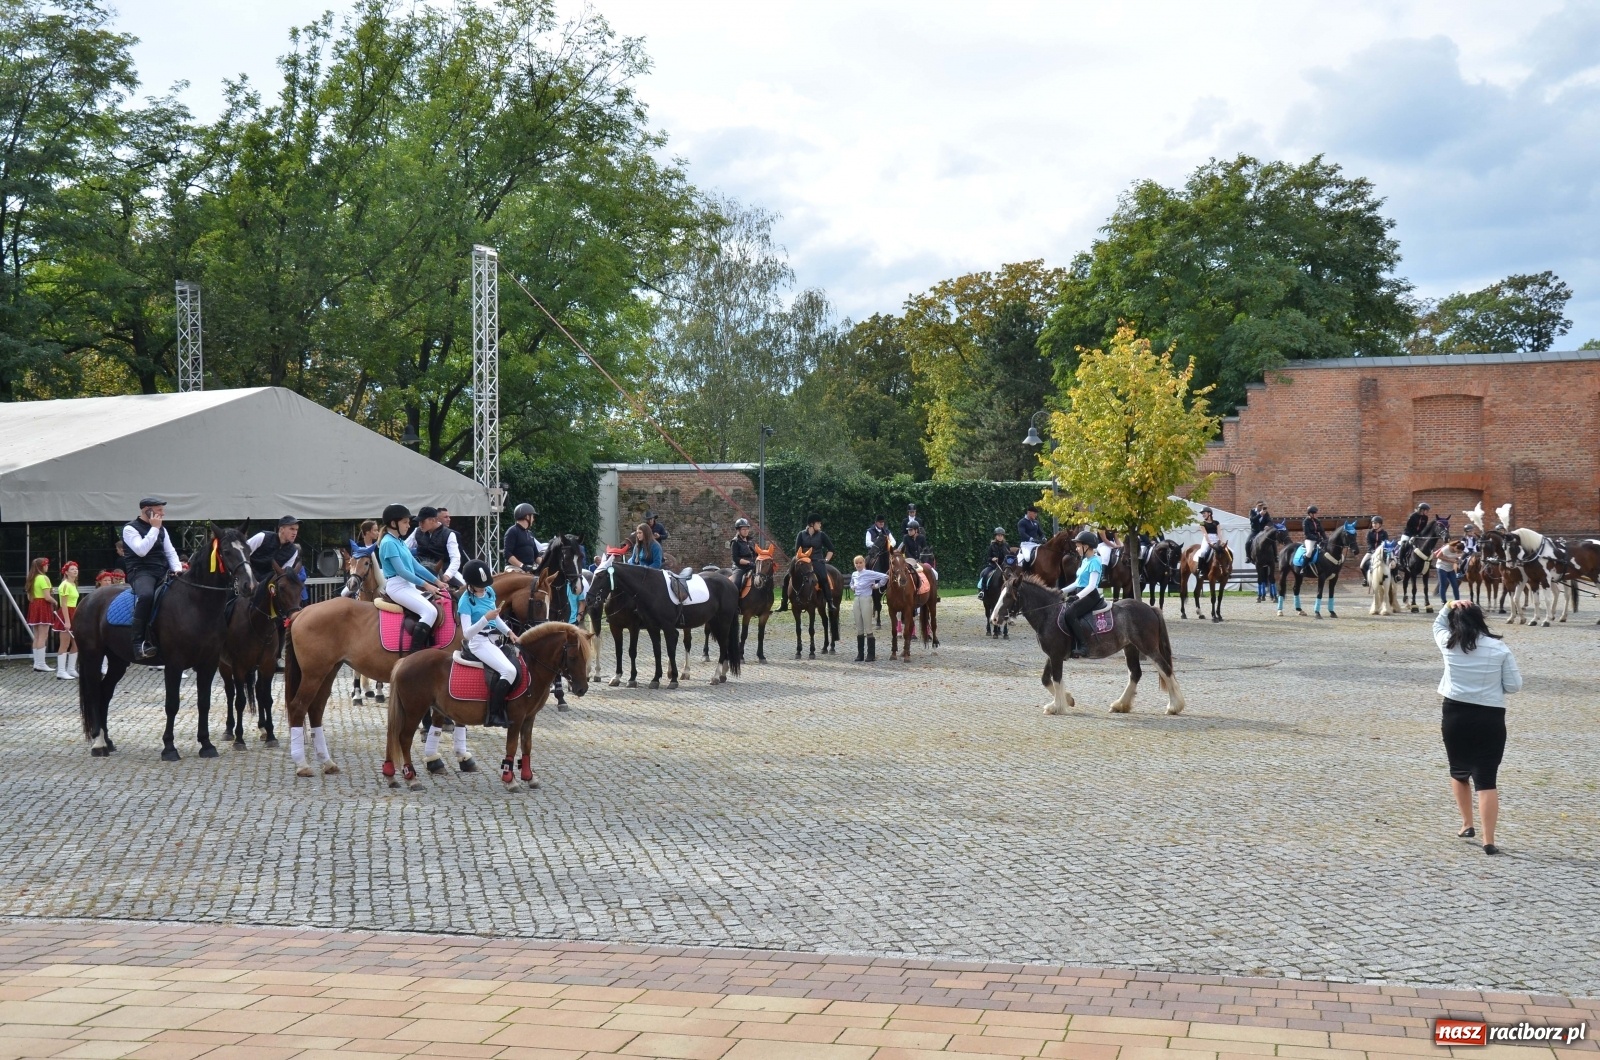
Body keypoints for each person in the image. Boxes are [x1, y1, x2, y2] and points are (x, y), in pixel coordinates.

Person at [1433, 600, 1521, 855]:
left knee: (1458, 771)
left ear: (1455, 622)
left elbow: (1437, 624)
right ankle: (1488, 839)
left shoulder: (1449, 643)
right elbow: (1514, 686)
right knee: (1487, 779)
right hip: (1490, 716)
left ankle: (1466, 824)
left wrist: (1449, 605)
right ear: (1480, 620)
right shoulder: (1499, 648)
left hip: (1455, 714)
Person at [378, 503, 450, 648]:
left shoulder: (400, 542)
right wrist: (427, 585)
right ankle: (414, 654)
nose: (408, 525)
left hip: (407, 585)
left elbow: (416, 566)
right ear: (393, 523)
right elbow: (402, 572)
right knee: (429, 612)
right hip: (397, 586)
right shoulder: (388, 543)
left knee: (436, 604)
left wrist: (437, 582)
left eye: (408, 522)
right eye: (404, 522)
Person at [123, 498, 183, 660]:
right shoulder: (130, 529)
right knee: (146, 596)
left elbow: (170, 552)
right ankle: (138, 643)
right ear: (147, 511)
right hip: (141, 572)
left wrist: (177, 569)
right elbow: (141, 550)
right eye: (159, 510)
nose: (162, 514)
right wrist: (154, 529)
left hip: (162, 571)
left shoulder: (162, 529)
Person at [460, 559, 517, 728]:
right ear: (470, 584)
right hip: (478, 642)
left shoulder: (490, 592)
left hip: (494, 639)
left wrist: (509, 632)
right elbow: (467, 633)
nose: (483, 588)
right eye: (479, 585)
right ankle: (493, 714)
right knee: (509, 671)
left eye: (485, 584)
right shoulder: (465, 601)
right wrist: (486, 618)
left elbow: (496, 617)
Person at [1061, 529, 1105, 658]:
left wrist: (1077, 596)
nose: (1076, 548)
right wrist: (1062, 591)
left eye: (1078, 546)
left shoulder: (1095, 561)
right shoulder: (1085, 561)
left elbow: (1091, 585)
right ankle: (1072, 644)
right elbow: (1077, 583)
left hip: (1090, 596)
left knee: (1070, 614)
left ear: (1086, 546)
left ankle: (1084, 646)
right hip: (1082, 593)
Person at [407, 506, 463, 587]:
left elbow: (456, 558)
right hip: (420, 568)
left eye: (422, 521)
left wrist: (448, 575)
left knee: (464, 587)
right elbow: (404, 547)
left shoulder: (449, 534)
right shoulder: (417, 531)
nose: (420, 524)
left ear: (433, 520)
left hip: (443, 570)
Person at [848, 555, 888, 662]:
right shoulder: (854, 574)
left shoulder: (869, 573)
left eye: (860, 563)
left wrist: (877, 586)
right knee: (859, 627)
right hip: (857, 599)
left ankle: (871, 654)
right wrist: (852, 587)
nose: (858, 565)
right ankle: (860, 654)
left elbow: (885, 576)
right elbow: (851, 583)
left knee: (868, 626)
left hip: (866, 598)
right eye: (856, 563)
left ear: (864, 563)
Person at [52, 561, 80, 680]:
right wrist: (67, 621)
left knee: (76, 643)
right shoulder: (64, 585)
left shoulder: (73, 585)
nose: (75, 571)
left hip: (73, 612)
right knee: (65, 643)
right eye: (72, 569)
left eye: (76, 569)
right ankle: (61, 671)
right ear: (67, 572)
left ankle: (71, 668)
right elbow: (63, 605)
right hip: (66, 614)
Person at [26, 556, 53, 672]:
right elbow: (47, 597)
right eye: (46, 565)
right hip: (43, 606)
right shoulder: (43, 578)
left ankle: (37, 663)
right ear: (42, 566)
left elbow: (29, 597)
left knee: (36, 636)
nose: (47, 566)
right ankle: (41, 663)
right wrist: (55, 601)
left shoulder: (32, 578)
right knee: (43, 635)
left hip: (34, 606)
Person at [503, 503, 543, 572]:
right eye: (532, 516)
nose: (533, 519)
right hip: (514, 568)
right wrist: (522, 566)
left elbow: (536, 555)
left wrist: (546, 565)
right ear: (527, 517)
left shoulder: (530, 533)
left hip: (529, 568)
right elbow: (507, 554)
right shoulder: (512, 531)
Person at [730, 518, 757, 593]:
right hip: (740, 568)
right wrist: (748, 563)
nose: (746, 531)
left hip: (753, 566)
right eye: (743, 529)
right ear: (738, 530)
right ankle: (734, 602)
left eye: (747, 529)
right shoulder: (735, 542)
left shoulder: (751, 541)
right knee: (736, 584)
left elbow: (756, 554)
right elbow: (735, 558)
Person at [1361, 516, 1389, 586]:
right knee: (1361, 565)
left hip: (1382, 552)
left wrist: (1381, 550)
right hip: (1371, 552)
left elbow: (1385, 542)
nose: (1374, 525)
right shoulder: (1369, 533)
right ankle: (1366, 579)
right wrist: (1372, 550)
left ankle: (1395, 576)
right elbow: (1369, 543)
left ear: (1380, 524)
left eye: (1376, 523)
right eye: (1373, 523)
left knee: (1391, 563)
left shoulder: (1384, 533)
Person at [1195, 507, 1220, 577]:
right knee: (1203, 552)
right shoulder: (1202, 523)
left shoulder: (1216, 523)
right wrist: (1209, 543)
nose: (1203, 515)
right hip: (1207, 539)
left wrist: (1221, 541)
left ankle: (1227, 569)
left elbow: (1219, 533)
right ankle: (1200, 569)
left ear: (1209, 513)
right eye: (1202, 514)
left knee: (1228, 550)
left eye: (1204, 513)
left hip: (1216, 539)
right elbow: (1205, 534)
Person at [1300, 505, 1327, 570]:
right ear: (1310, 513)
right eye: (1315, 513)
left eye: (1316, 513)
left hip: (1319, 539)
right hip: (1310, 540)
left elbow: (1322, 531)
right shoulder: (1306, 522)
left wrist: (1326, 539)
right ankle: (1303, 568)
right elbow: (1307, 534)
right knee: (1309, 552)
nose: (1316, 514)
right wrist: (1317, 538)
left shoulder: (1317, 521)